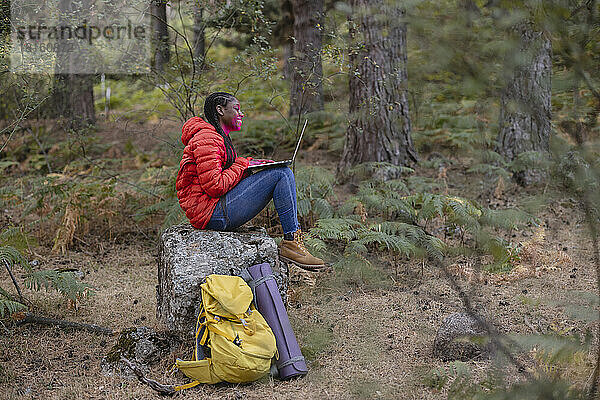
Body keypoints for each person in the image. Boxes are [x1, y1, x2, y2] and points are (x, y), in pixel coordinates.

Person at [176, 92, 326, 271]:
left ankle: (293, 242)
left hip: (214, 208)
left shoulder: (217, 137)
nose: (241, 114)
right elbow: (215, 186)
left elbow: (225, 178)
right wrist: (243, 164)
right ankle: (292, 243)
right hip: (211, 213)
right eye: (236, 109)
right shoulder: (207, 138)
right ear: (220, 110)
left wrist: (251, 168)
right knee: (282, 174)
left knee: (279, 172)